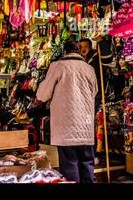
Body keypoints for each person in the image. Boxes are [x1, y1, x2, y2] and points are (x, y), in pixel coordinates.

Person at [36, 40, 98, 183]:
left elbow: (43, 94)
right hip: (86, 127)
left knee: (70, 165)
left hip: (66, 127)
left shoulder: (57, 66)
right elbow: (94, 92)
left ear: (64, 51)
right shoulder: (89, 68)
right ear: (78, 51)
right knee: (87, 163)